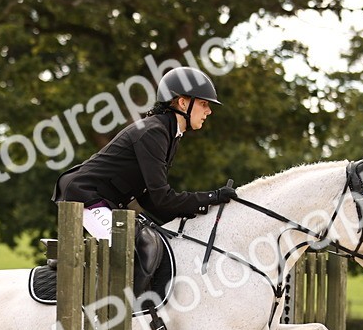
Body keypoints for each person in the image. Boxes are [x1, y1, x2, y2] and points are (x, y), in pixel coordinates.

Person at [53, 66, 235, 291]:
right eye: (204, 104)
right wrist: (212, 197)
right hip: (84, 195)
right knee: (140, 248)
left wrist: (189, 218)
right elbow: (162, 197)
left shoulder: (170, 133)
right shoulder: (154, 132)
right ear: (183, 103)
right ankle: (117, 309)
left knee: (161, 238)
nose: (209, 111)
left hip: (105, 199)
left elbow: (148, 197)